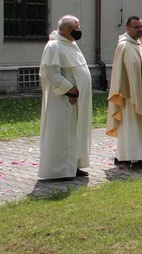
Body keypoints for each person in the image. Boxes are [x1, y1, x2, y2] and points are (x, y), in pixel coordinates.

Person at [38, 15, 92, 181]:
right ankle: (59, 170)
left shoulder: (71, 44)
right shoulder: (54, 46)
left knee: (75, 131)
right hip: (64, 99)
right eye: (77, 27)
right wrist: (70, 90)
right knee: (63, 132)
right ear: (69, 30)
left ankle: (72, 166)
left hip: (77, 100)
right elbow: (50, 72)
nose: (79, 31)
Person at [106, 16, 142, 169]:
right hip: (130, 96)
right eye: (136, 27)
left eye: (141, 26)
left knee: (135, 128)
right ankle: (138, 157)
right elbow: (122, 73)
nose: (139, 29)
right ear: (127, 29)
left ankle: (125, 156)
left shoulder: (137, 45)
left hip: (141, 92)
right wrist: (133, 91)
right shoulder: (124, 46)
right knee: (133, 127)